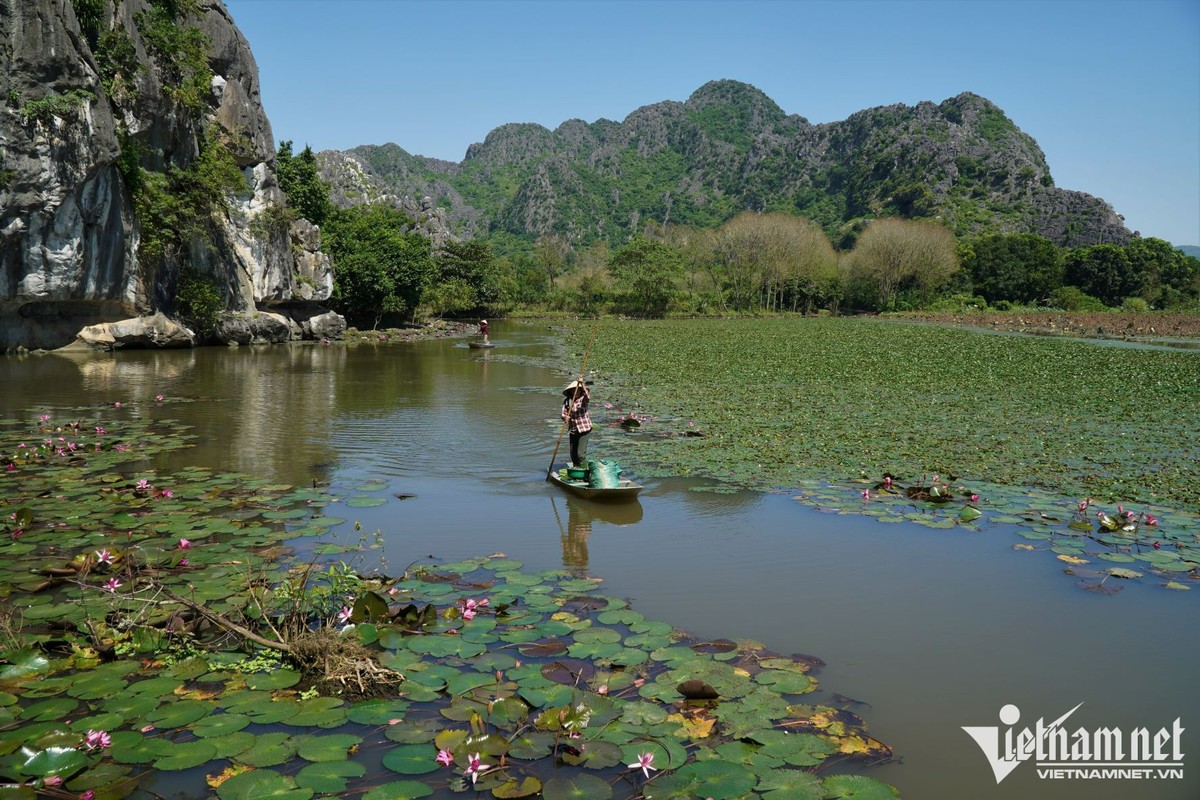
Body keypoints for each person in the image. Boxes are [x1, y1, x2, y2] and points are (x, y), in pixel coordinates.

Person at [560, 378, 591, 468]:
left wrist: (582, 383)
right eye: (573, 390)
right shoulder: (567, 401)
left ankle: (585, 473)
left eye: (577, 390)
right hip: (573, 429)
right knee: (573, 454)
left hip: (584, 428)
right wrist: (565, 417)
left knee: (580, 455)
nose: (575, 392)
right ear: (570, 391)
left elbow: (587, 396)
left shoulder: (583, 399)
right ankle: (575, 470)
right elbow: (563, 414)